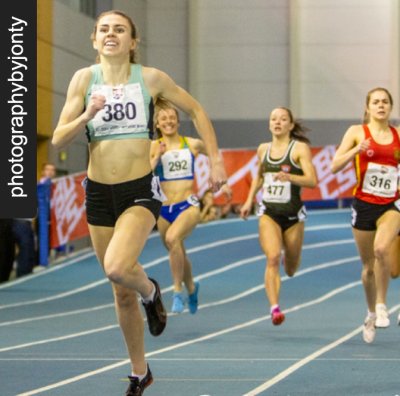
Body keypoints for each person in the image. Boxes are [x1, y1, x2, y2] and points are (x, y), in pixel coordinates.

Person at [51, 10, 227, 396]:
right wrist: (88, 113)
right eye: (104, 30)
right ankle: (139, 371)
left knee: (118, 268)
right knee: (118, 290)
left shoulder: (149, 78)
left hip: (139, 189)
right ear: (94, 40)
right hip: (98, 192)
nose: (111, 34)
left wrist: (215, 160)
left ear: (133, 42)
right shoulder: (83, 80)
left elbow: (196, 110)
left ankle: (152, 290)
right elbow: (58, 140)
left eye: (120, 30)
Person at [330, 87, 400, 343]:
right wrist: (356, 150)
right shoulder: (357, 132)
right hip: (363, 205)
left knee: (382, 249)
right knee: (368, 267)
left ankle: (382, 305)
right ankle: (371, 312)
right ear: (368, 107)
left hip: (392, 205)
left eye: (385, 102)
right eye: (376, 102)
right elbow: (334, 166)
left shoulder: (398, 135)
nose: (381, 106)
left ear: (390, 107)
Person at [150, 100, 229, 314]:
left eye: (172, 118)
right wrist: (156, 158)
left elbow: (215, 154)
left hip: (188, 204)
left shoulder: (191, 144)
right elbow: (144, 173)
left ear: (177, 121)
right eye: (163, 119)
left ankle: (177, 292)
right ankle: (192, 288)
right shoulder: (153, 146)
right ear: (157, 124)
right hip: (164, 209)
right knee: (178, 252)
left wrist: (224, 181)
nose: (168, 122)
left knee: (172, 239)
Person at [240, 107, 317, 326]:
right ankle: (275, 308)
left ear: (291, 125)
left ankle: (289, 256)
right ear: (269, 124)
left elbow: (312, 180)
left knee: (291, 269)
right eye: (273, 118)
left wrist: (291, 177)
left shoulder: (299, 149)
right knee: (272, 257)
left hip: (293, 216)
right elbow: (259, 177)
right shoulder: (263, 149)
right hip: (269, 213)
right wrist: (248, 201)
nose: (278, 122)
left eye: (283, 119)